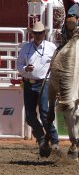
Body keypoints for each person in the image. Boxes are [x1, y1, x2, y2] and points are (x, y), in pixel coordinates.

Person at [17, 21, 59, 152]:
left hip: (44, 83)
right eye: (35, 33)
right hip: (29, 83)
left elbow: (57, 65)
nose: (38, 35)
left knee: (45, 114)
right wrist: (25, 69)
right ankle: (41, 138)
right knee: (29, 116)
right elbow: (19, 66)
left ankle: (54, 141)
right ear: (32, 34)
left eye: (40, 33)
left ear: (44, 33)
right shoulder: (25, 48)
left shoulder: (52, 47)